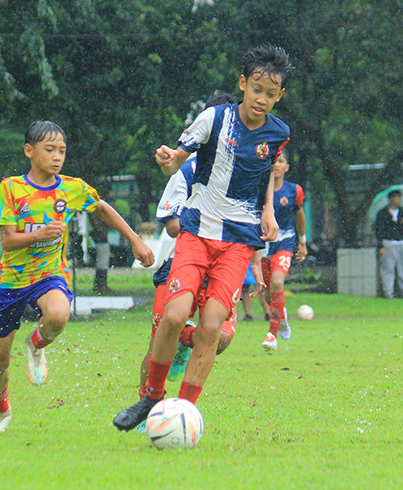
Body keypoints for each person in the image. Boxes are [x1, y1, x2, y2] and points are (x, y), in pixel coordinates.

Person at [113, 43, 292, 431]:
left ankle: (183, 411)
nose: (262, 99)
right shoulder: (214, 117)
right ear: (243, 84)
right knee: (175, 316)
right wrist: (169, 160)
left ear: (280, 96)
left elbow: (263, 179)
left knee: (211, 328)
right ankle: (152, 398)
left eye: (271, 94)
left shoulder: (279, 133)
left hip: (240, 241)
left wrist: (268, 212)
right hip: (197, 231)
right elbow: (180, 158)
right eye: (256, 89)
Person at [0, 120, 154, 434]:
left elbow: (102, 208)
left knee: (59, 315)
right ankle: (1, 410)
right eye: (49, 150)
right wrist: (41, 234)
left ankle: (36, 345)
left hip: (49, 275)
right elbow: (7, 240)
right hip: (10, 283)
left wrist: (135, 239)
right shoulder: (11, 188)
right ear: (29, 151)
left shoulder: (71, 188)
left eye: (61, 150)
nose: (57, 156)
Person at [137, 91, 242, 398]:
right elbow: (170, 224)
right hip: (183, 261)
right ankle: (146, 401)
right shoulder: (188, 168)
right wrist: (210, 223)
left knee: (219, 339)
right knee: (159, 340)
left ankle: (184, 342)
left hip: (222, 265)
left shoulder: (241, 168)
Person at [259, 149, 306, 350]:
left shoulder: (294, 191)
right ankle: (282, 316)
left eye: (281, 161)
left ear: (286, 167)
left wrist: (302, 242)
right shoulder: (258, 190)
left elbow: (299, 216)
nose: (276, 165)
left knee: (278, 283)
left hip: (285, 242)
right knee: (269, 294)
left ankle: (272, 334)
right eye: (274, 161)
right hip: (262, 245)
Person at [374, 189, 403, 299]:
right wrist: (380, 246)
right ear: (392, 198)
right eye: (398, 197)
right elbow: (379, 231)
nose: (400, 200)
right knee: (388, 269)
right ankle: (388, 293)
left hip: (401, 242)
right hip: (388, 243)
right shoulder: (382, 213)